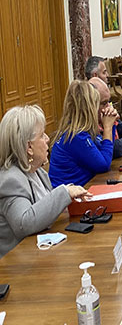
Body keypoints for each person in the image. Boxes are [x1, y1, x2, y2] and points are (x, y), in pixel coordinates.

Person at [0, 105, 91, 258]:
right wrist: (64, 193)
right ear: (29, 147)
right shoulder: (11, 179)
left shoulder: (38, 172)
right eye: (42, 135)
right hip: (17, 265)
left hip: (41, 255)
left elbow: (45, 213)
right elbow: (24, 224)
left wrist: (68, 198)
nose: (48, 139)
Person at [49, 80, 118, 187]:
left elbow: (105, 153)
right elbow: (103, 165)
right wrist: (108, 127)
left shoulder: (81, 131)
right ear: (90, 109)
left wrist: (111, 125)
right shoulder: (76, 136)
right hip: (69, 196)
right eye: (103, 104)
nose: (108, 108)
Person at [89, 77, 122, 158]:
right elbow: (113, 150)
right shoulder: (86, 126)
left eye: (109, 102)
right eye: (104, 103)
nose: (109, 107)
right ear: (90, 105)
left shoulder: (105, 114)